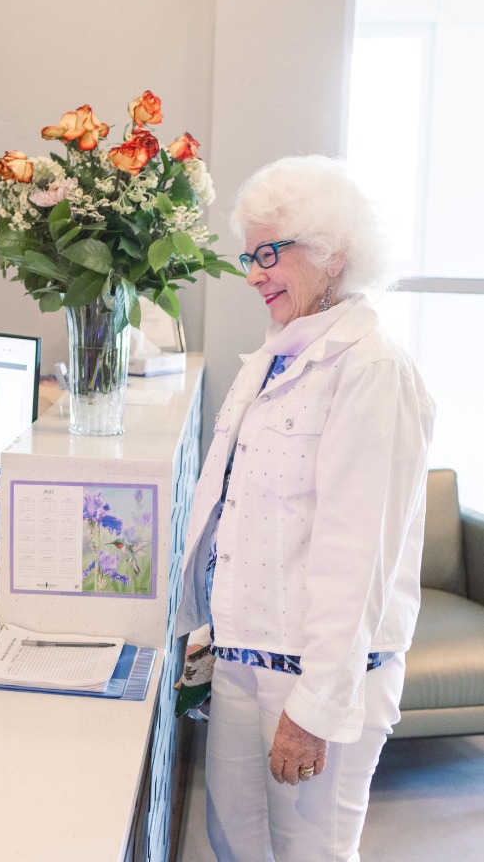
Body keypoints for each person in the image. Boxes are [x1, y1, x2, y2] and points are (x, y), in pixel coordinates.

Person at [175, 156, 434, 861]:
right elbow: (235, 509)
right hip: (240, 655)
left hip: (313, 677)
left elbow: (358, 556)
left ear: (331, 254)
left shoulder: (370, 369)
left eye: (268, 254)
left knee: (308, 854)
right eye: (247, 255)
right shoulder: (276, 355)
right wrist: (201, 622)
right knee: (233, 844)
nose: (253, 274)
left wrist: (314, 710)